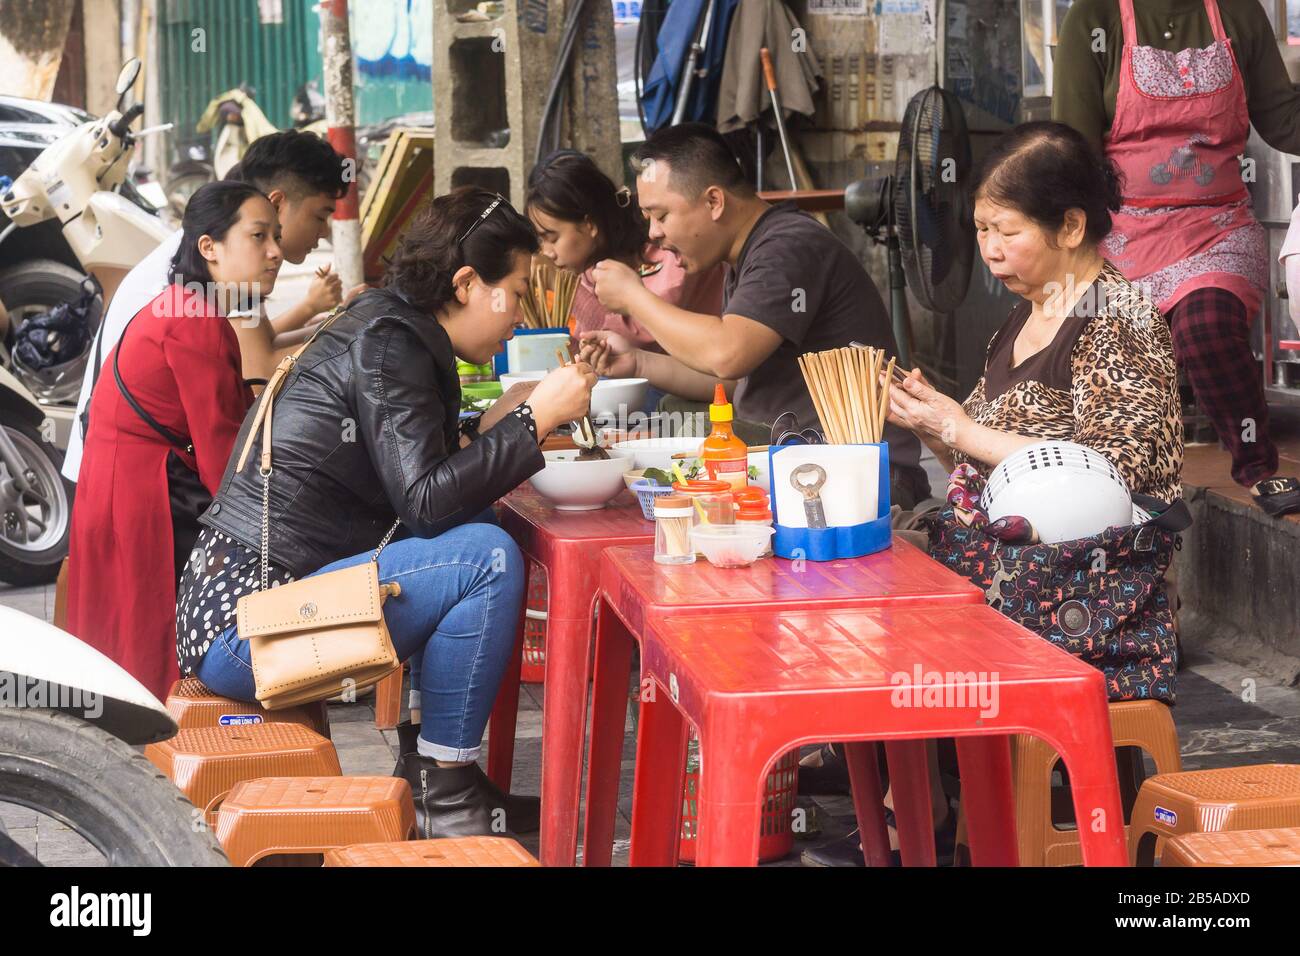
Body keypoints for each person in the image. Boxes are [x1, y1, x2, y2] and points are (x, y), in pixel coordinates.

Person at [804, 122, 1185, 868]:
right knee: (850, 565)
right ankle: (917, 800)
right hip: (1005, 553)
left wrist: (959, 427)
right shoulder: (1022, 316)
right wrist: (935, 420)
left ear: (1072, 224)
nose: (989, 250)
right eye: (980, 230)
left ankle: (921, 808)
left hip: (1087, 577)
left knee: (886, 589)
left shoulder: (1116, 318)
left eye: (1005, 230)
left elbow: (1117, 471)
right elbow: (986, 459)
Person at [178, 187, 597, 839]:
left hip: (253, 608)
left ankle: (431, 771)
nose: (520, 313)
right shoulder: (389, 341)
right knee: (484, 558)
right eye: (514, 291)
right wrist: (534, 419)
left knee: (477, 533)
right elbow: (425, 502)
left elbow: (412, 466)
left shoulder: (392, 324)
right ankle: (445, 792)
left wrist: (493, 422)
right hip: (247, 629)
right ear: (465, 283)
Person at [577, 122, 930, 507]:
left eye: (660, 215)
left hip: (854, 476)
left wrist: (634, 297)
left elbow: (728, 354)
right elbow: (732, 384)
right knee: (667, 417)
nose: (653, 233)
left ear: (714, 201)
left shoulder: (788, 247)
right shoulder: (748, 253)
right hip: (795, 455)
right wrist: (638, 361)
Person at [1054, 0, 1300, 516]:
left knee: (1208, 325)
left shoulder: (1237, 11)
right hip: (1119, 233)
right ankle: (1116, 502)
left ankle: (1259, 469)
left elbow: (1284, 119)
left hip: (1217, 225)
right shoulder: (1093, 16)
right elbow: (1072, 144)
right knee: (1105, 370)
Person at [66, 181, 279, 699]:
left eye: (275, 236)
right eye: (258, 236)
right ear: (209, 247)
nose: (275, 252)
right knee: (148, 644)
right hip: (140, 491)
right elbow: (222, 457)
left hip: (117, 481)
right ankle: (171, 753)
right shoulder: (196, 321)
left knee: (118, 636)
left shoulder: (184, 304)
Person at [64, 130, 353, 482]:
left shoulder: (231, 252)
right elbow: (261, 373)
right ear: (276, 203)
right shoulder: (213, 276)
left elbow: (261, 348)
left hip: (146, 468)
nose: (323, 233)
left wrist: (340, 321)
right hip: (129, 479)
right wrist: (347, 330)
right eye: (320, 216)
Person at [525, 148, 725, 412]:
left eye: (551, 237)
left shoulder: (665, 247)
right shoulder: (585, 270)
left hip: (712, 385)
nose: (546, 252)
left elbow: (651, 327)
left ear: (589, 224)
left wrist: (629, 296)